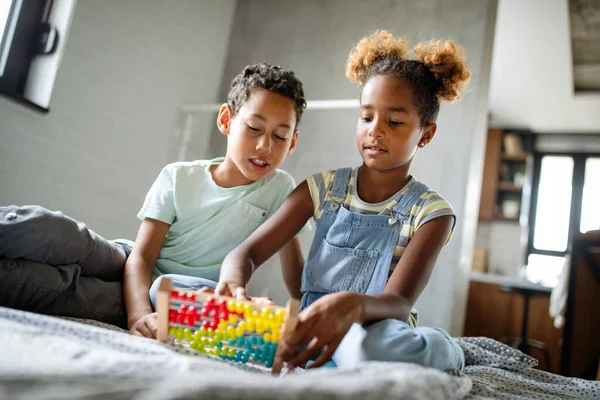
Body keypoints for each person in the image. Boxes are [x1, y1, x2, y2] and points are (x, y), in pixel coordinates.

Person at [214, 30, 471, 373]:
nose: (375, 131)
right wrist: (234, 282)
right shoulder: (320, 189)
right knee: (172, 291)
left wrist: (350, 305)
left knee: (365, 350)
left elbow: (399, 302)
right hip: (311, 328)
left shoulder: (432, 214)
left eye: (394, 121)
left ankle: (446, 349)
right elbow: (246, 253)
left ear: (425, 134)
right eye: (366, 117)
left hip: (371, 332)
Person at [0, 62, 308, 338]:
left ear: (292, 141)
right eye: (254, 128)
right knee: (54, 233)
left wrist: (310, 316)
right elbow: (143, 259)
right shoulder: (178, 177)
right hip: (130, 261)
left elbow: (296, 274)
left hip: (171, 299)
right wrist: (139, 315)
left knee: (44, 284)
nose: (265, 145)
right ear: (226, 120)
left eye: (280, 136)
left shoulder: (282, 190)